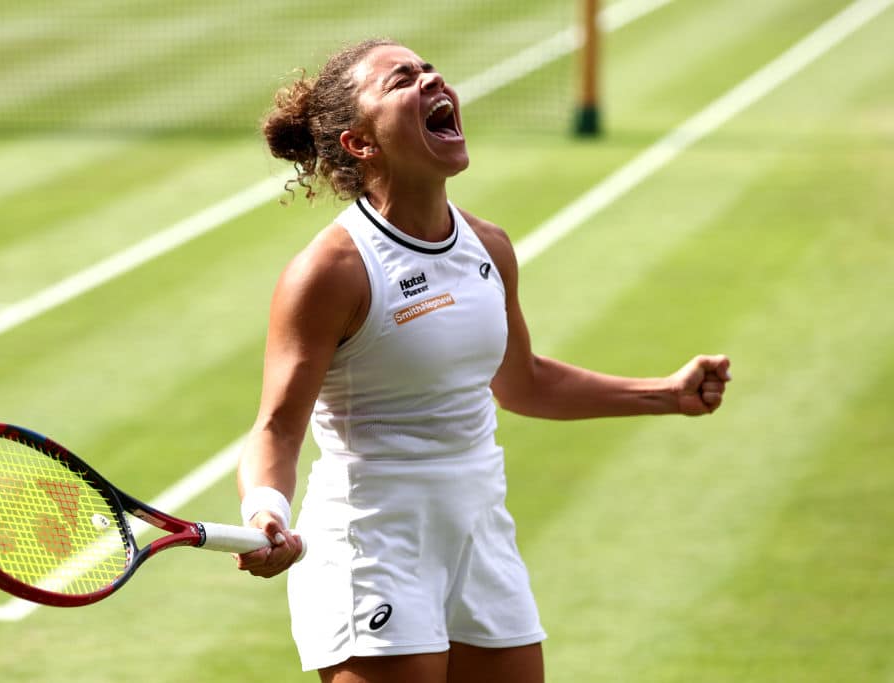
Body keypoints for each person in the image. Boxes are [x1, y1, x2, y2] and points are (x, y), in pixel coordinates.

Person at [234, 38, 731, 683]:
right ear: (360, 142)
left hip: (480, 539)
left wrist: (665, 393)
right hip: (375, 550)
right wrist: (265, 508)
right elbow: (276, 427)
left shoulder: (488, 246)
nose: (431, 78)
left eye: (430, 68)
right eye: (401, 80)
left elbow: (521, 382)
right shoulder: (332, 272)